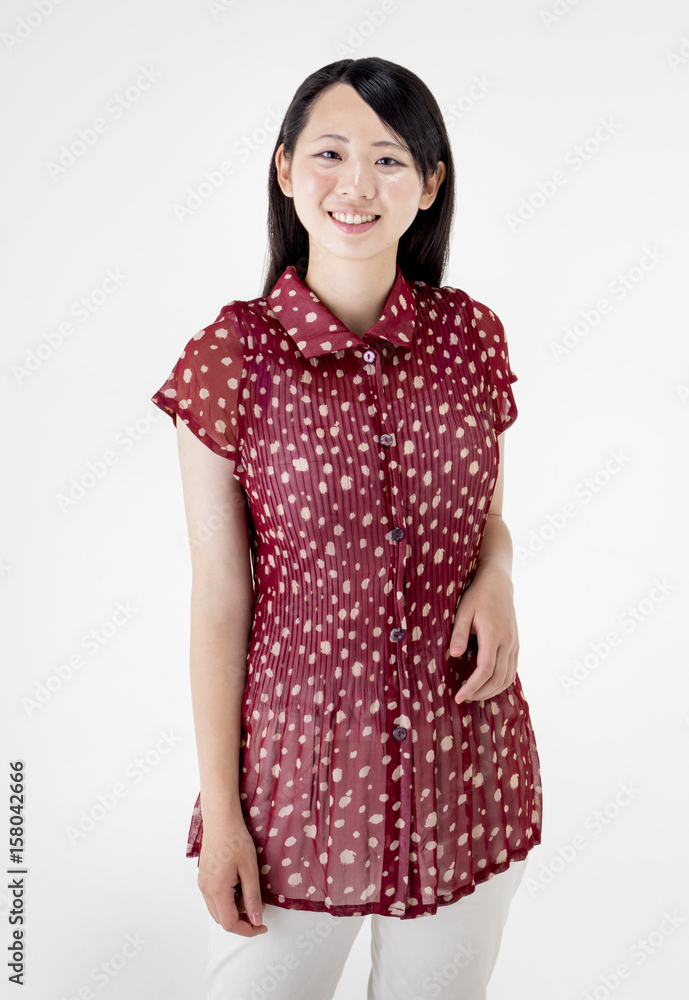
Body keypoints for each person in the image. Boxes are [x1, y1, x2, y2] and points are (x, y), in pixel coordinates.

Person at [151, 55, 543, 1000]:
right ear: (286, 170)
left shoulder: (470, 336)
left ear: (430, 184)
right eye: (330, 153)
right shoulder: (232, 357)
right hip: (296, 784)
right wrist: (224, 814)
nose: (357, 185)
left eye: (390, 158)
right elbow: (220, 596)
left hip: (465, 770)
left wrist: (497, 576)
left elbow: (486, 517)